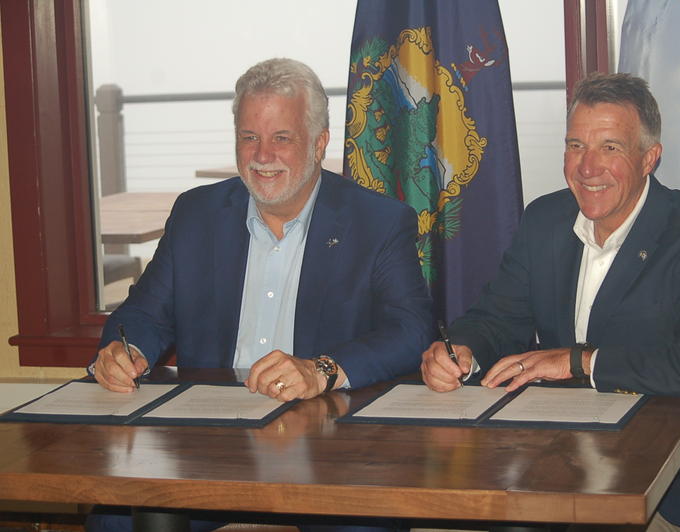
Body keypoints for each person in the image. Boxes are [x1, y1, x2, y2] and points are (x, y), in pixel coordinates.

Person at [87, 57, 431, 532]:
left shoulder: (378, 222)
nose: (262, 155)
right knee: (114, 522)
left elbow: (412, 329)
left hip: (330, 448)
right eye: (249, 137)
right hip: (209, 445)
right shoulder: (196, 214)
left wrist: (321, 370)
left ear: (320, 143)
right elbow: (144, 312)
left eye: (281, 138)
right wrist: (125, 349)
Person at [420, 73, 680, 532]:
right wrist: (461, 349)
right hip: (556, 464)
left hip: (675, 484)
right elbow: (497, 318)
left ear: (649, 158)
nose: (587, 167)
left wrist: (582, 361)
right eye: (575, 145)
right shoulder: (545, 219)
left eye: (610, 148)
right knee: (436, 519)